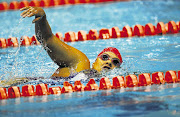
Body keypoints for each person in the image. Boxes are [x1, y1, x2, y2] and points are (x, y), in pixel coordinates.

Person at [20, 6, 123, 80]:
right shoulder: (80, 63)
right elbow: (47, 40)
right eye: (104, 57)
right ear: (95, 61)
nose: (109, 62)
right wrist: (42, 18)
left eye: (115, 62)